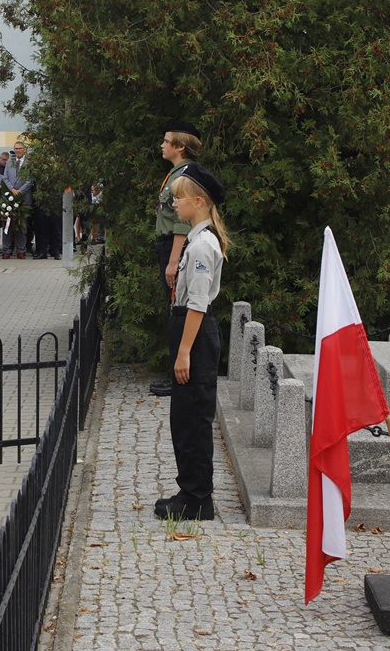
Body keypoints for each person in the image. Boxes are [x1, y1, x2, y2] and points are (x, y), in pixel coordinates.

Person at [154, 163, 229, 521]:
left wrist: (184, 352)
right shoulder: (199, 239)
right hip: (188, 329)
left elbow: (197, 304)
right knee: (184, 417)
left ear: (198, 201)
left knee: (194, 417)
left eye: (179, 200)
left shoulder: (202, 245)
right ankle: (190, 491)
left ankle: (198, 498)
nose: (175, 206)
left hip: (195, 334)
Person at [150, 120, 203, 397]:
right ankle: (179, 372)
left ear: (180, 146)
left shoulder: (184, 176)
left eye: (167, 140)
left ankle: (179, 376)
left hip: (174, 246)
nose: (162, 144)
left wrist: (173, 261)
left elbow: (182, 223)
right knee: (175, 308)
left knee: (178, 309)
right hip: (169, 245)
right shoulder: (177, 173)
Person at [1, 141, 33, 259]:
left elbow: (30, 180)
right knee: (7, 224)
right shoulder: (10, 161)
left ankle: (21, 249)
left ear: (24, 150)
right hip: (10, 196)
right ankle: (7, 249)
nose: (18, 150)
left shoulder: (29, 162)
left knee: (21, 225)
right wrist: (12, 189)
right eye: (16, 148)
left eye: (20, 148)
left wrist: (19, 191)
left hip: (23, 197)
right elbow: (5, 177)